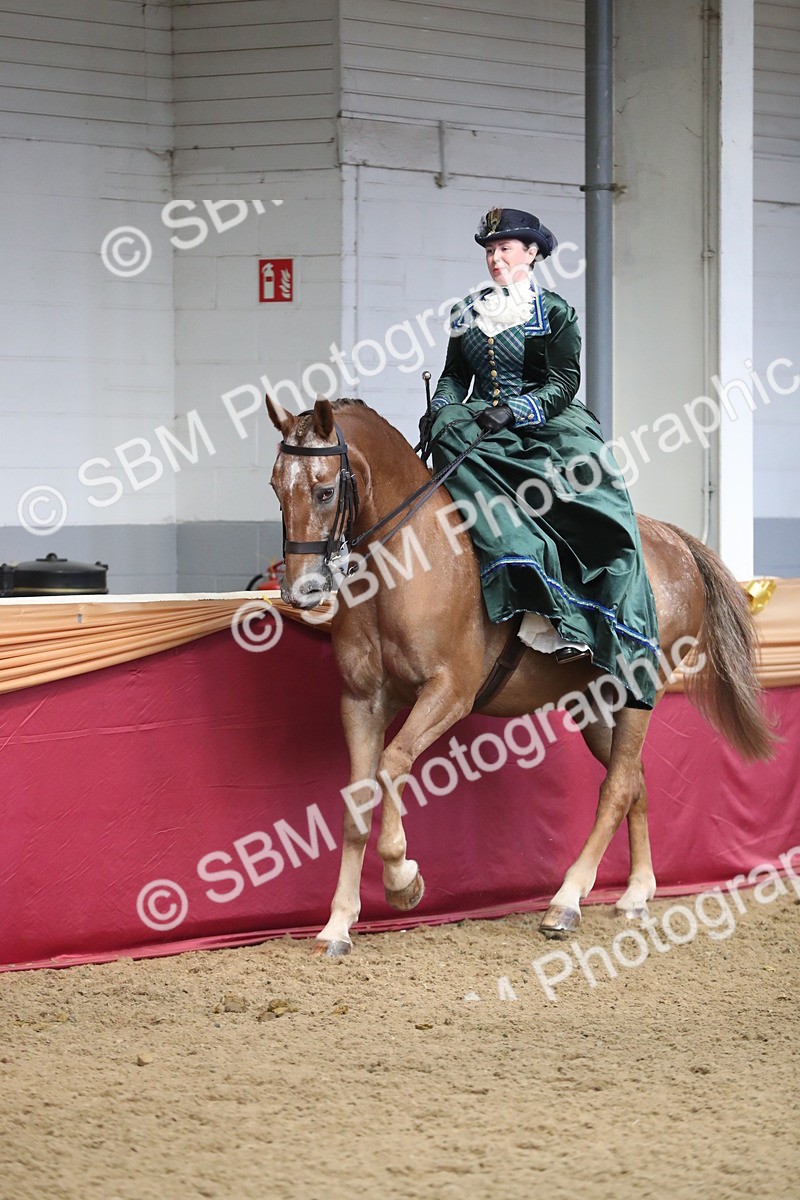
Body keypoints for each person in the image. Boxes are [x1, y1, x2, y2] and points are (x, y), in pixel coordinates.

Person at [420, 206, 659, 709]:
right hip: (480, 419)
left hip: (543, 422)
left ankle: (568, 604)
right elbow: (451, 377)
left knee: (586, 490)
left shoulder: (554, 312)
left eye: (504, 249)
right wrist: (441, 409)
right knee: (445, 435)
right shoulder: (468, 310)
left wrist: (516, 410)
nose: (494, 259)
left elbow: (563, 383)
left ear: (531, 254)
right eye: (489, 251)